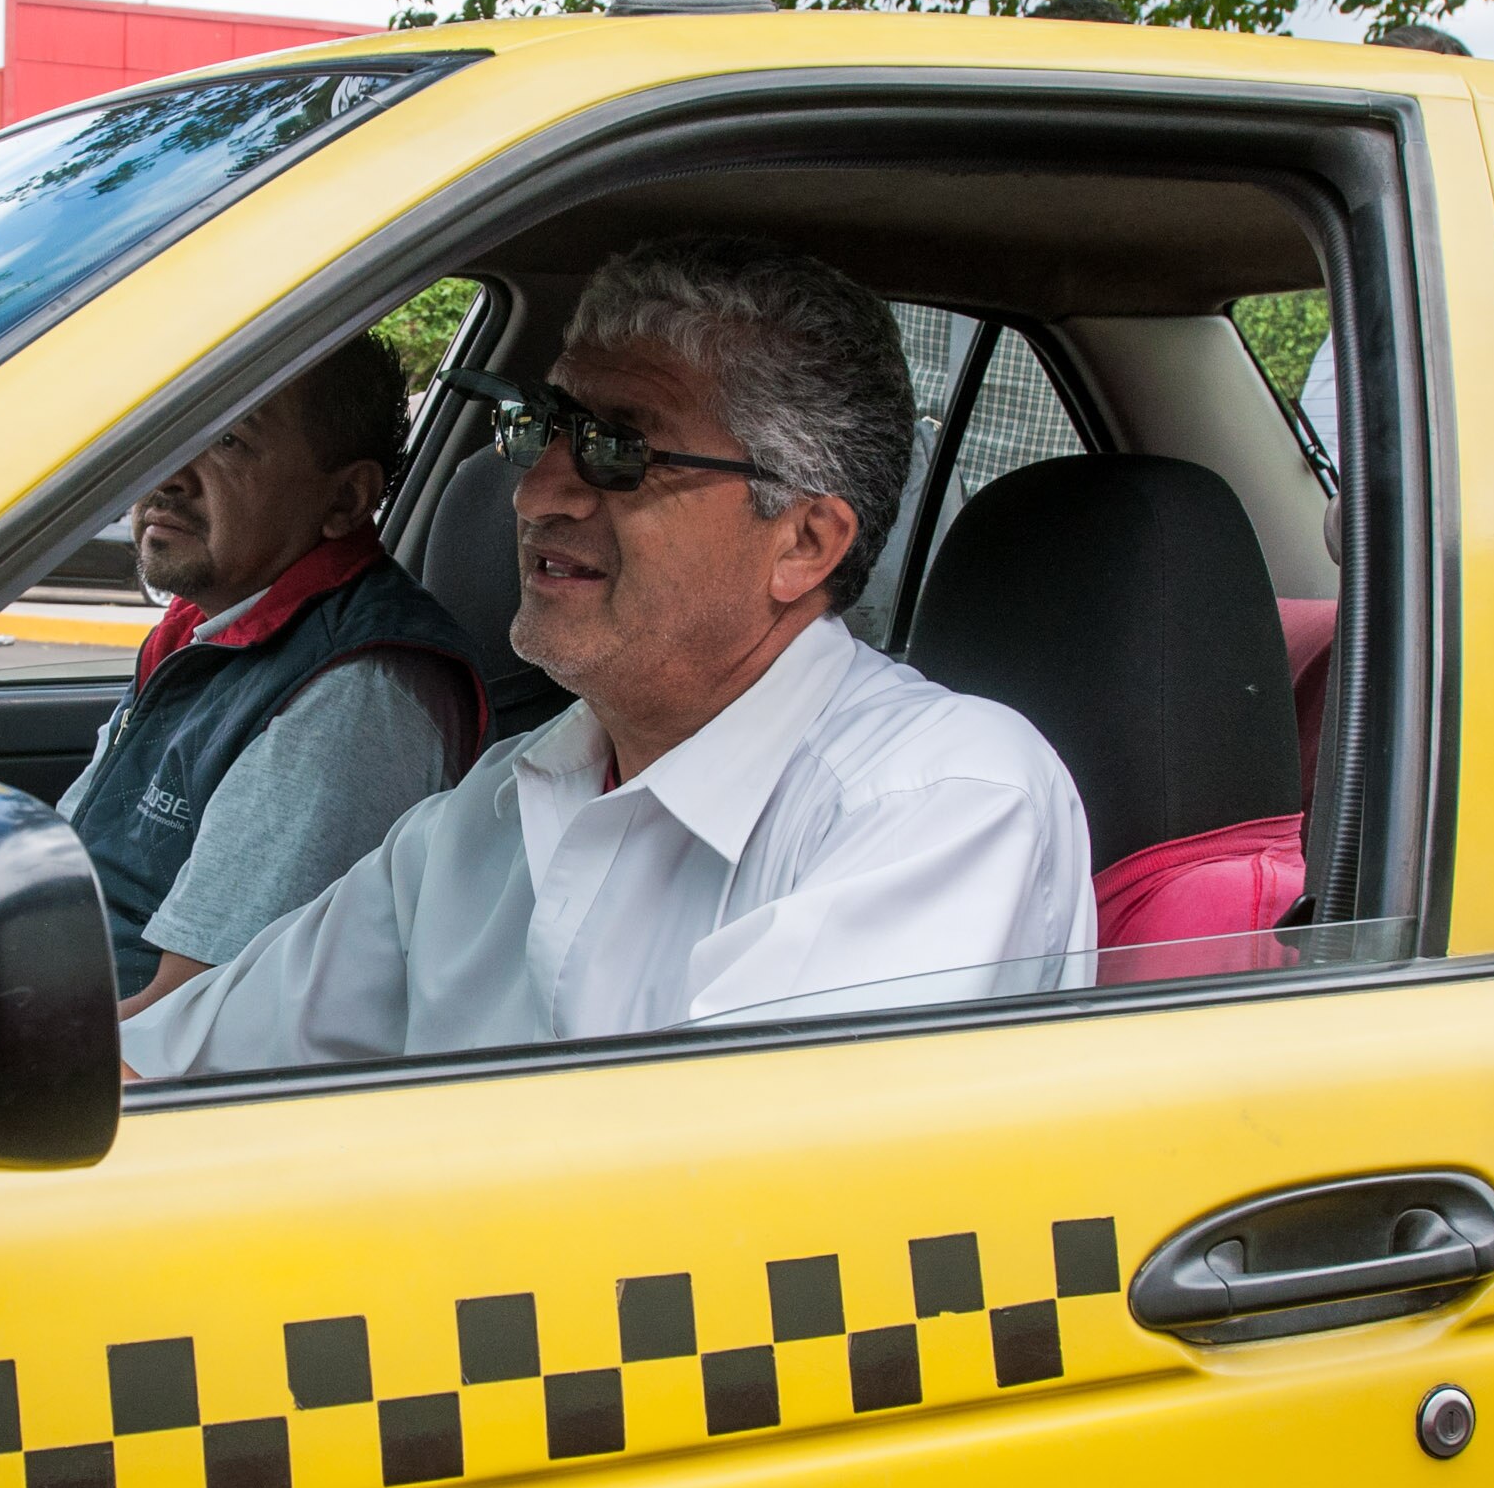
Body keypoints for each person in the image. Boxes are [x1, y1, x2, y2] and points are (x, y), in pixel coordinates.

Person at [124, 234, 1094, 1078]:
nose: (534, 494)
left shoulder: (937, 803)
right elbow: (179, 1060)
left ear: (803, 543)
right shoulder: (495, 807)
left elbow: (732, 1208)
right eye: (547, 430)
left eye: (620, 449)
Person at [60, 333, 486, 1015]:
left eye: (228, 440)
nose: (169, 474)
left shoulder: (352, 694)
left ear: (344, 500)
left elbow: (189, 1021)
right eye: (169, 427)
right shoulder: (204, 625)